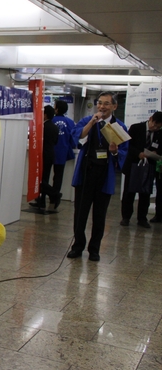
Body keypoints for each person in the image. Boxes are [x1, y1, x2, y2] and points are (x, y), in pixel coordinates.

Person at [67, 92, 128, 262]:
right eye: (99, 103)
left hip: (104, 176)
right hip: (86, 174)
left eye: (106, 104)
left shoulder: (119, 126)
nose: (102, 107)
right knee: (80, 213)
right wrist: (92, 123)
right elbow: (77, 136)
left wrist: (115, 152)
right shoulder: (88, 120)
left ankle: (94, 249)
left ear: (114, 106)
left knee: (99, 216)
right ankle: (77, 246)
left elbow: (124, 153)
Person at [120, 111, 162, 227]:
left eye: (158, 127)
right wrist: (138, 153)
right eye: (154, 125)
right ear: (150, 119)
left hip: (149, 165)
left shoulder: (159, 133)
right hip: (133, 164)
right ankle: (126, 217)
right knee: (129, 193)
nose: (155, 128)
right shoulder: (136, 128)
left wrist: (156, 152)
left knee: (145, 193)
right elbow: (128, 145)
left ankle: (142, 219)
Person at [30, 105, 59, 210]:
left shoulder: (42, 127)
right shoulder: (55, 127)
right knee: (45, 178)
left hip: (43, 156)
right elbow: (55, 141)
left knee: (41, 180)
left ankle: (55, 194)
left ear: (45, 115)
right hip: (50, 155)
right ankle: (41, 201)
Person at [50, 99, 77, 209]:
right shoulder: (70, 122)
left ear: (56, 108)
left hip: (50, 151)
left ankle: (46, 196)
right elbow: (73, 139)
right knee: (58, 176)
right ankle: (55, 196)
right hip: (63, 152)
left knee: (45, 176)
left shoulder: (50, 120)